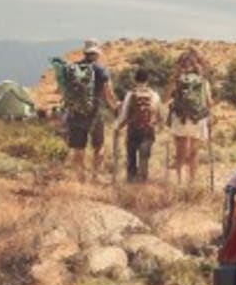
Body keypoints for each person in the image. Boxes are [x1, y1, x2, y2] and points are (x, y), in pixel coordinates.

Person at [51, 40, 118, 180]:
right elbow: (108, 93)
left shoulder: (73, 68)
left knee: (78, 149)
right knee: (99, 146)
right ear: (97, 54)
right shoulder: (101, 70)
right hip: (95, 113)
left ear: (85, 52)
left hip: (76, 114)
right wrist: (116, 108)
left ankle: (80, 178)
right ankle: (95, 176)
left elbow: (62, 91)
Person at [164, 48, 212, 186]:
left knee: (180, 151)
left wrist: (173, 79)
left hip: (180, 118)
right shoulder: (202, 81)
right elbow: (209, 103)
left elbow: (165, 99)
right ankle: (192, 182)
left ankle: (179, 182)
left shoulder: (177, 80)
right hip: (197, 118)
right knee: (194, 152)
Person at [115, 67, 162, 182]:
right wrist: (159, 126)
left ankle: (131, 181)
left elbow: (125, 115)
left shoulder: (130, 94)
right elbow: (159, 114)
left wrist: (118, 127)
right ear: (148, 80)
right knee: (144, 158)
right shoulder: (154, 95)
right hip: (148, 130)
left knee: (131, 157)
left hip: (133, 129)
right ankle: (142, 183)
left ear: (135, 79)